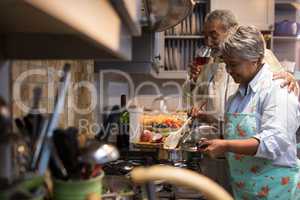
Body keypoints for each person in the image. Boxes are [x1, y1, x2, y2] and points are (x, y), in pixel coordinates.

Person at [197, 25, 300, 199]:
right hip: (245, 191)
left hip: (277, 191)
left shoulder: (278, 89)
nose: (229, 71)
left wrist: (226, 146)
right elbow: (241, 131)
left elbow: (273, 142)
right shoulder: (237, 97)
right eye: (227, 64)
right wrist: (213, 121)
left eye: (234, 64)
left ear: (256, 59)